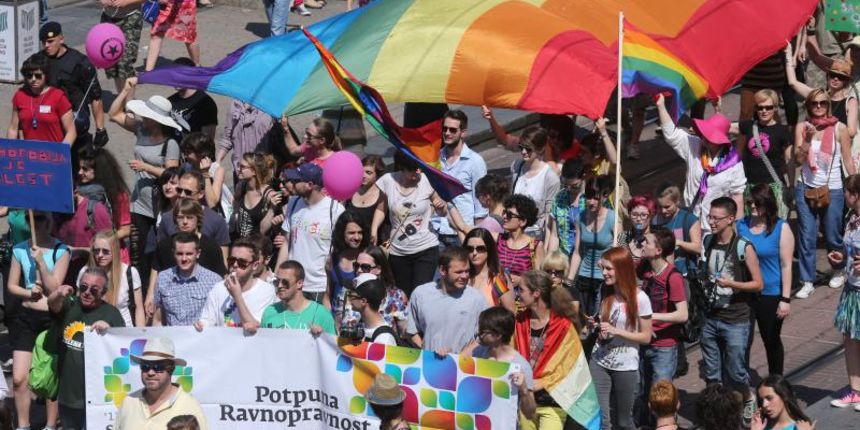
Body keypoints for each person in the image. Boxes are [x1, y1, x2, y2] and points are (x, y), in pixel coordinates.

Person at [108, 76, 182, 289]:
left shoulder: (171, 143)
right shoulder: (141, 129)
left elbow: (171, 173)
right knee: (137, 251)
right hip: (138, 202)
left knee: (159, 249)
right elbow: (114, 114)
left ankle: (158, 288)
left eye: (148, 117)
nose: (143, 118)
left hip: (160, 204)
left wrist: (146, 168)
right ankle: (137, 291)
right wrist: (125, 91)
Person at [700, 197, 764, 420]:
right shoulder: (708, 241)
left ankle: (748, 397)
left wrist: (732, 284)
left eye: (716, 218)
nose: (711, 222)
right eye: (710, 217)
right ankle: (717, 412)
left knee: (736, 370)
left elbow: (758, 283)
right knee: (711, 372)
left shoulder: (743, 247)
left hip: (736, 318)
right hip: (711, 316)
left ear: (730, 219)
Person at [7, 211, 68, 430]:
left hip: (50, 316)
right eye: (35, 218)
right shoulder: (19, 249)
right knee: (19, 377)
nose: (39, 223)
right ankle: (23, 425)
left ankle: (50, 425)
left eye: (43, 218)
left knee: (48, 376)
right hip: (26, 317)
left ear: (51, 221)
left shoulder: (62, 250)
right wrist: (28, 292)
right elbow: (12, 285)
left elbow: (55, 287)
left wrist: (41, 262)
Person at [794, 89, 856, 298]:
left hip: (834, 189)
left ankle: (838, 268)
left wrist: (855, 186)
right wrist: (807, 140)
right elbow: (797, 160)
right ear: (808, 106)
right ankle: (807, 279)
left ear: (828, 105)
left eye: (822, 103)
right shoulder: (803, 127)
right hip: (806, 187)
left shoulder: (840, 128)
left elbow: (847, 160)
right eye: (814, 103)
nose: (818, 107)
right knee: (806, 236)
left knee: (832, 234)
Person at [655, 93, 746, 231]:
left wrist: (738, 231)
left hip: (715, 228)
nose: (704, 138)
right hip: (690, 222)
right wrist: (661, 106)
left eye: (709, 136)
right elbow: (671, 135)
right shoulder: (694, 145)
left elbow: (737, 196)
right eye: (704, 134)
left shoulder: (734, 163)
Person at [49, 267, 125, 429]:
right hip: (68, 394)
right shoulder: (69, 305)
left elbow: (122, 353)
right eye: (83, 287)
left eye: (94, 290)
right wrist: (58, 293)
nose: (87, 292)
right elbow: (52, 305)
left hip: (98, 397)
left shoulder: (112, 314)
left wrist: (109, 331)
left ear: (103, 292)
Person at [590, 247, 653, 430]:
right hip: (599, 360)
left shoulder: (640, 298)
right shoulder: (605, 291)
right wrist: (597, 328)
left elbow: (646, 337)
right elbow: (604, 323)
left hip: (625, 365)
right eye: (603, 268)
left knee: (624, 421)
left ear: (622, 269)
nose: (604, 273)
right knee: (601, 419)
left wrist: (617, 332)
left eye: (609, 269)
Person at [511, 270, 580, 430]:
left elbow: (571, 366)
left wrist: (543, 382)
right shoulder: (519, 322)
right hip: (525, 400)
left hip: (553, 403)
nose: (517, 294)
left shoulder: (563, 326)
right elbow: (510, 355)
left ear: (536, 293)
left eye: (521, 290)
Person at [738, 184, 794, 375]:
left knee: (770, 339)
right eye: (750, 202)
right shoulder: (741, 225)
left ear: (768, 204)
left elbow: (786, 265)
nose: (752, 206)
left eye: (757, 203)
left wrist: (785, 299)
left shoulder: (781, 228)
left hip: (770, 293)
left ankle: (776, 380)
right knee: (741, 340)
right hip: (745, 291)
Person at [377, 150, 447, 297]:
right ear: (402, 168)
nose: (417, 173)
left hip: (425, 248)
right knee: (404, 295)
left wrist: (441, 208)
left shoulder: (426, 180)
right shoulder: (388, 180)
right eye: (412, 170)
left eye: (418, 168)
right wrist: (373, 229)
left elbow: (442, 210)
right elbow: (381, 209)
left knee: (420, 294)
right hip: (398, 251)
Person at [638, 230, 688, 425]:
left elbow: (682, 314)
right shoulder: (646, 269)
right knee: (643, 392)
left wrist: (649, 317)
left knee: (662, 397)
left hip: (664, 346)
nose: (643, 244)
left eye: (647, 242)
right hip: (645, 341)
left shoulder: (672, 276)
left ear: (658, 250)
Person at [277, 163, 345, 305]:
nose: (290, 184)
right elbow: (287, 242)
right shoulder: (293, 203)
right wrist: (278, 274)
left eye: (296, 181)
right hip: (292, 284)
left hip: (318, 286)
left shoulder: (335, 210)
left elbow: (340, 249)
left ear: (309, 185)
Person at [149, 198, 226, 311]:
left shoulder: (211, 246)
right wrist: (150, 295)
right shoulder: (165, 245)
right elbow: (156, 269)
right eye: (180, 217)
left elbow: (221, 276)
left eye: (189, 217)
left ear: (197, 219)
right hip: (171, 301)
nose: (185, 222)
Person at [407, 247, 488, 354]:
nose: (464, 276)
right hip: (429, 364)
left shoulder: (477, 299)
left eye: (467, 271)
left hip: (463, 366)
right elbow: (412, 331)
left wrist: (460, 358)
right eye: (458, 272)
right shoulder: (421, 294)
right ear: (442, 270)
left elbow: (484, 336)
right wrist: (426, 354)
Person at [115, 337, 208, 429]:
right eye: (145, 366)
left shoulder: (190, 406)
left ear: (171, 369)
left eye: (158, 367)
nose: (150, 373)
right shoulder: (129, 402)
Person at [40, 22, 107, 148]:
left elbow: (95, 96)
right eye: (43, 43)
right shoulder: (40, 61)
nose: (46, 46)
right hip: (49, 120)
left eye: (50, 41)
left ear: (61, 39)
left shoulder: (80, 62)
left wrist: (100, 129)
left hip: (75, 119)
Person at [728, 89, 792, 218]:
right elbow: (723, 127)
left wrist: (791, 186)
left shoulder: (782, 130)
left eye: (768, 107)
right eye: (760, 107)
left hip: (772, 187)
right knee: (753, 226)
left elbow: (789, 160)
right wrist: (717, 109)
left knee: (774, 225)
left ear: (775, 108)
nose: (764, 111)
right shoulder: (749, 126)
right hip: (751, 186)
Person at [432, 109, 488, 247]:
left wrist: (477, 237)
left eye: (452, 130)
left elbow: (481, 203)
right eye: (444, 129)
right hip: (437, 231)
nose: (447, 133)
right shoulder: (435, 159)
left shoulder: (475, 161)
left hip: (462, 233)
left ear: (463, 132)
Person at [827, 174, 860, 409]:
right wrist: (842, 257)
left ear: (854, 195)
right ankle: (855, 390)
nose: (843, 196)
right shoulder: (851, 219)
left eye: (846, 192)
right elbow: (851, 251)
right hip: (852, 288)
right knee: (850, 340)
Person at [471, 307, 537, 422]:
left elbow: (530, 414)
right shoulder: (478, 353)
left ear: (497, 335)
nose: (480, 336)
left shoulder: (521, 366)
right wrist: (441, 357)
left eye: (483, 332)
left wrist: (524, 389)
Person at [196, 238, 276, 330]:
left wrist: (237, 296)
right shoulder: (218, 288)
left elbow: (254, 328)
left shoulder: (266, 291)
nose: (235, 265)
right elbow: (207, 322)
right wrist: (200, 326)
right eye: (231, 260)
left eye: (242, 262)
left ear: (255, 265)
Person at [568, 176, 615, 317]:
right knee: (582, 318)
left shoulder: (613, 218)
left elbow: (620, 249)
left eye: (595, 198)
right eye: (588, 197)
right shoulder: (580, 218)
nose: (591, 202)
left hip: (604, 278)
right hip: (584, 276)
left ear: (604, 196)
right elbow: (577, 252)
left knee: (600, 318)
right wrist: (569, 280)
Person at [76, 145, 133, 262]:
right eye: (80, 168)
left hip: (111, 255)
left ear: (99, 171)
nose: (80, 172)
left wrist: (103, 241)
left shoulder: (118, 195)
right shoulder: (77, 193)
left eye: (85, 169)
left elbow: (125, 229)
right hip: (84, 253)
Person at [152, 232, 221, 326]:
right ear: (173, 253)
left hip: (201, 338)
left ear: (198, 254)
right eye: (180, 254)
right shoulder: (163, 278)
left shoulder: (214, 281)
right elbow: (158, 318)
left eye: (189, 254)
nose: (184, 258)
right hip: (172, 338)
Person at [79, 230, 144, 327]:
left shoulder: (129, 273)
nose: (100, 255)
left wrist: (140, 333)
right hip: (92, 329)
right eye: (97, 251)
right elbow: (78, 304)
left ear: (114, 251)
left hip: (121, 330)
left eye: (105, 251)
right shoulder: (85, 272)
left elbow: (139, 308)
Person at [156, 170, 230, 256]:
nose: (182, 195)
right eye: (179, 190)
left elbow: (223, 259)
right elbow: (160, 256)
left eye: (188, 192)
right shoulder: (166, 218)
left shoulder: (216, 220)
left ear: (201, 194)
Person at [8, 53, 76, 144]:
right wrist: (9, 151)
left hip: (53, 153)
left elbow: (71, 132)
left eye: (38, 75)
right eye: (29, 75)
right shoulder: (19, 96)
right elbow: (13, 128)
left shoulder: (58, 97)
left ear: (46, 75)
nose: (33, 79)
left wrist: (62, 152)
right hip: (29, 153)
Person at [510, 126, 560, 240]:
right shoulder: (516, 166)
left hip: (535, 236)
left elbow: (549, 215)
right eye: (521, 147)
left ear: (541, 149)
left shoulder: (550, 177)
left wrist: (547, 246)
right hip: (514, 233)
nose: (523, 152)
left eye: (528, 149)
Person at [260, 260, 336, 334]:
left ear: (299, 283)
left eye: (285, 282)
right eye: (277, 281)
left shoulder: (321, 314)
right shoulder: (270, 311)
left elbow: (332, 345)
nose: (279, 286)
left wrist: (322, 336)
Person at [216, 100, 275, 184]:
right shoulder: (235, 106)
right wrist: (217, 161)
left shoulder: (270, 106)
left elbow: (276, 140)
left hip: (263, 171)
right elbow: (227, 139)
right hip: (241, 172)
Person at [354, 246, 409, 336]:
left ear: (379, 269)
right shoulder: (349, 292)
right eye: (356, 266)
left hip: (385, 347)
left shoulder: (396, 295)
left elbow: (405, 328)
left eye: (365, 267)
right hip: (354, 348)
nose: (359, 270)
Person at [650, 182, 702, 278]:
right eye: (659, 207)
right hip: (662, 274)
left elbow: (698, 248)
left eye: (667, 207)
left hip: (684, 274)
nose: (663, 211)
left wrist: (678, 243)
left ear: (677, 202)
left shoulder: (689, 219)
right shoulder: (655, 221)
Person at [328, 212, 369, 328]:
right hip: (336, 326)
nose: (356, 237)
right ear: (342, 234)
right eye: (351, 233)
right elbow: (327, 295)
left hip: (362, 327)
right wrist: (331, 322)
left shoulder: (368, 260)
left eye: (360, 233)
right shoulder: (332, 259)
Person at [496, 194, 544, 290]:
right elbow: (469, 231)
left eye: (509, 215)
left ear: (522, 221)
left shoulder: (535, 246)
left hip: (521, 301)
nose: (504, 216)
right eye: (504, 212)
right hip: (498, 297)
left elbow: (540, 280)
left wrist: (521, 280)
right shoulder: (498, 239)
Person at [230, 152, 278, 241]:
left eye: (242, 167)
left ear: (254, 171)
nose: (238, 169)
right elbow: (236, 204)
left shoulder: (269, 195)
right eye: (238, 165)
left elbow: (263, 230)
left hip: (259, 246)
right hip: (241, 243)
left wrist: (272, 209)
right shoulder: (241, 187)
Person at [464, 228, 515, 311]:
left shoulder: (498, 279)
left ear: (489, 250)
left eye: (480, 248)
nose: (474, 253)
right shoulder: (462, 276)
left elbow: (510, 312)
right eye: (470, 249)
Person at [99, 0, 144, 93]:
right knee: (112, 63)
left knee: (125, 62)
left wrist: (126, 2)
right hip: (108, 17)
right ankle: (121, 101)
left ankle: (130, 105)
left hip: (130, 17)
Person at [181, 132, 229, 216]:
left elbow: (212, 203)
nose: (185, 156)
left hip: (212, 216)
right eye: (185, 153)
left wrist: (205, 173)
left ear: (200, 153)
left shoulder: (217, 170)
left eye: (188, 153)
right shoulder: (186, 168)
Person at [546, 158, 586, 258]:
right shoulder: (559, 197)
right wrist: (551, 259)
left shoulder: (591, 198)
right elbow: (555, 235)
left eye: (574, 186)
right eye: (565, 185)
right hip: (564, 256)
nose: (568, 189)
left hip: (585, 256)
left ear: (583, 177)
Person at [168, 58, 217, 139]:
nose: (175, 79)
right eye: (173, 76)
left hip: (193, 150)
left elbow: (208, 140)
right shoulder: (170, 101)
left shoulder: (205, 103)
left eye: (179, 76)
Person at [145, 0, 200, 71]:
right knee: (156, 34)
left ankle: (197, 66)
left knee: (189, 36)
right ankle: (148, 71)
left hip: (184, 6)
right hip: (165, 7)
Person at [345, 155, 388, 245]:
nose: (363, 175)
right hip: (351, 244)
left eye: (368, 172)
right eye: (361, 171)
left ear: (377, 174)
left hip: (372, 245)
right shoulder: (350, 191)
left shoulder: (383, 194)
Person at [348, 275, 397, 345]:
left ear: (363, 301)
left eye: (351, 295)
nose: (349, 299)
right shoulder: (360, 326)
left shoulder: (383, 340)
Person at [625, 194, 656, 264]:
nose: (638, 219)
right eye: (634, 214)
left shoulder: (659, 238)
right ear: (629, 215)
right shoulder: (623, 238)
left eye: (643, 215)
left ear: (651, 216)